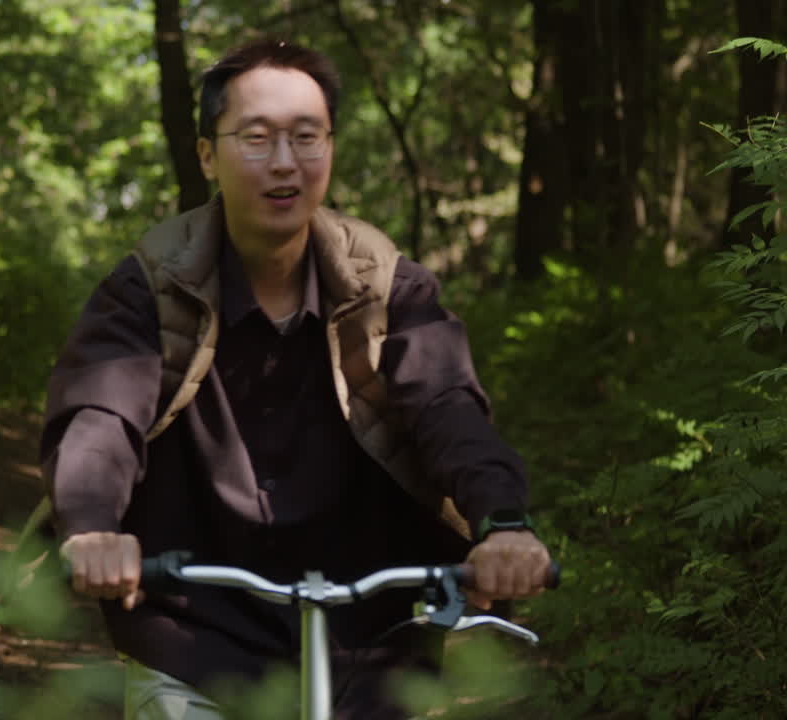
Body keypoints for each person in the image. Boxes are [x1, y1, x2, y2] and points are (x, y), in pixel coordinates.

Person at [40, 38, 552, 719]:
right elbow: (100, 419)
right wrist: (91, 526)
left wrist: (504, 523)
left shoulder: (386, 285)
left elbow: (448, 408)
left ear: (331, 149)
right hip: (197, 630)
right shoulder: (149, 286)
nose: (285, 163)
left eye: (306, 138)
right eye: (256, 138)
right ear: (206, 155)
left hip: (372, 636)